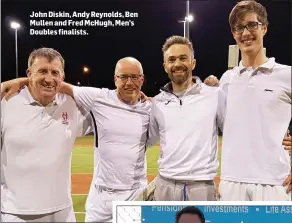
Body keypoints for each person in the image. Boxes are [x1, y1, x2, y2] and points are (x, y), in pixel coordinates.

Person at [206, 0, 291, 200]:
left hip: (275, 182)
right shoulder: (227, 80)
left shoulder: (286, 75)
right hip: (231, 182)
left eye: (252, 25)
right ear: (234, 34)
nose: (245, 33)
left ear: (265, 28)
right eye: (239, 28)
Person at [0, 48, 91, 222]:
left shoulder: (72, 106)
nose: (49, 79)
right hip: (15, 213)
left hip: (63, 212)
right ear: (29, 74)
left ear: (62, 77)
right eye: (42, 71)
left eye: (55, 72)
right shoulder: (7, 102)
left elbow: (110, 106)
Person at [148, 35, 226, 201]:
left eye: (183, 58)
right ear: (165, 66)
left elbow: (235, 133)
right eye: (172, 59)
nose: (177, 64)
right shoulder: (157, 102)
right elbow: (149, 139)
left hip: (202, 186)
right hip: (165, 185)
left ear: (193, 63)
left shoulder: (215, 94)